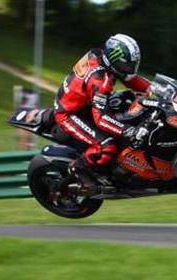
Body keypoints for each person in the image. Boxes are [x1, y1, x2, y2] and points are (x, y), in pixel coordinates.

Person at [54, 34, 151, 194]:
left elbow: (128, 78)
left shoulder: (102, 56)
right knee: (106, 145)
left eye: (133, 64)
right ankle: (78, 168)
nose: (130, 69)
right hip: (69, 113)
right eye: (126, 65)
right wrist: (129, 131)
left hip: (84, 103)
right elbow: (101, 119)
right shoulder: (100, 81)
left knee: (126, 100)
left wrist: (152, 90)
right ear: (113, 61)